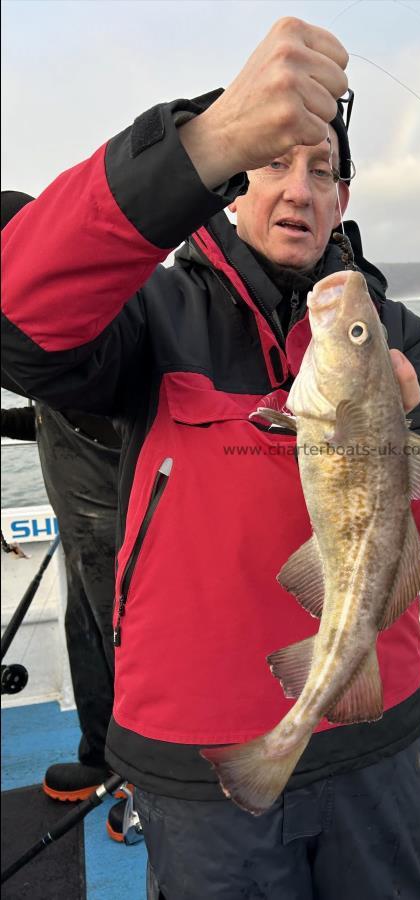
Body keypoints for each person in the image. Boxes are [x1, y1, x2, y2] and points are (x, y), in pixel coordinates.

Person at [2, 17, 420, 898]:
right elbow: (22, 323)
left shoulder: (389, 331)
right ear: (228, 183)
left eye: (324, 170)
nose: (300, 188)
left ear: (343, 199)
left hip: (378, 735)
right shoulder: (147, 312)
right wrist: (201, 139)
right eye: (272, 162)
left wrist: (394, 419)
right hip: (198, 749)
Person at [1, 191, 132, 841]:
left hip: (114, 535)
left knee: (125, 655)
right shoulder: (60, 355)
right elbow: (52, 420)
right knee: (90, 652)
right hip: (82, 536)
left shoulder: (77, 344)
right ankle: (103, 758)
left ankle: (139, 779)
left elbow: (78, 409)